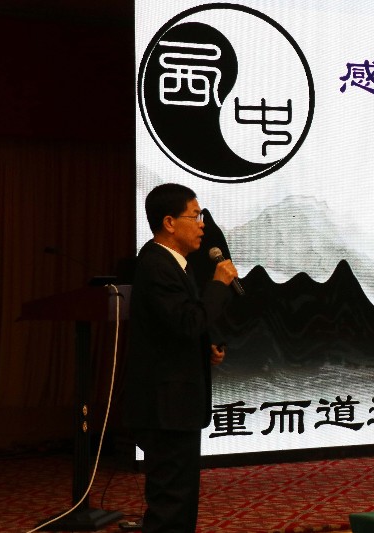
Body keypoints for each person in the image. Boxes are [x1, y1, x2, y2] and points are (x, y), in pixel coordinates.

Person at [122, 183, 239, 532]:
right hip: (165, 408)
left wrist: (206, 347)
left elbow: (176, 327)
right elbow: (188, 322)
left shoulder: (178, 264)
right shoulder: (156, 265)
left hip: (178, 405)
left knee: (182, 500)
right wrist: (218, 284)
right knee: (170, 503)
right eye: (195, 216)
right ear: (170, 223)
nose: (202, 225)